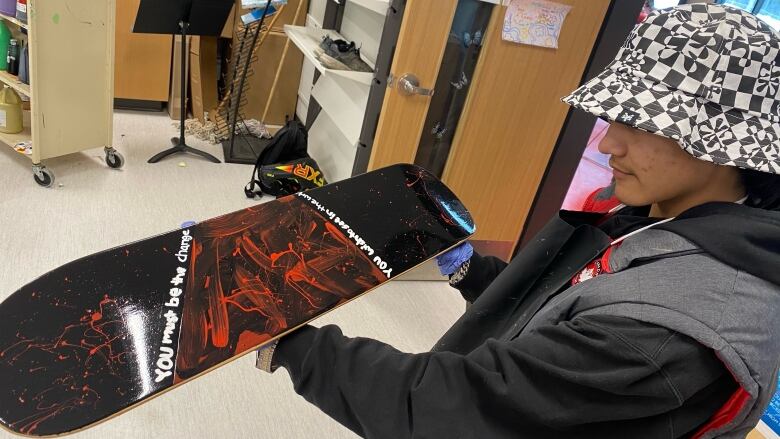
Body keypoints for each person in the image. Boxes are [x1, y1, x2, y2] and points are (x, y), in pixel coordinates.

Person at [255, 5, 780, 438]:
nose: (607, 143)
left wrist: (292, 344)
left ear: (723, 146)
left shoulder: (665, 334)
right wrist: (475, 273)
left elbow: (450, 411)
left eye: (641, 125)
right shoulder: (662, 214)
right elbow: (571, 303)